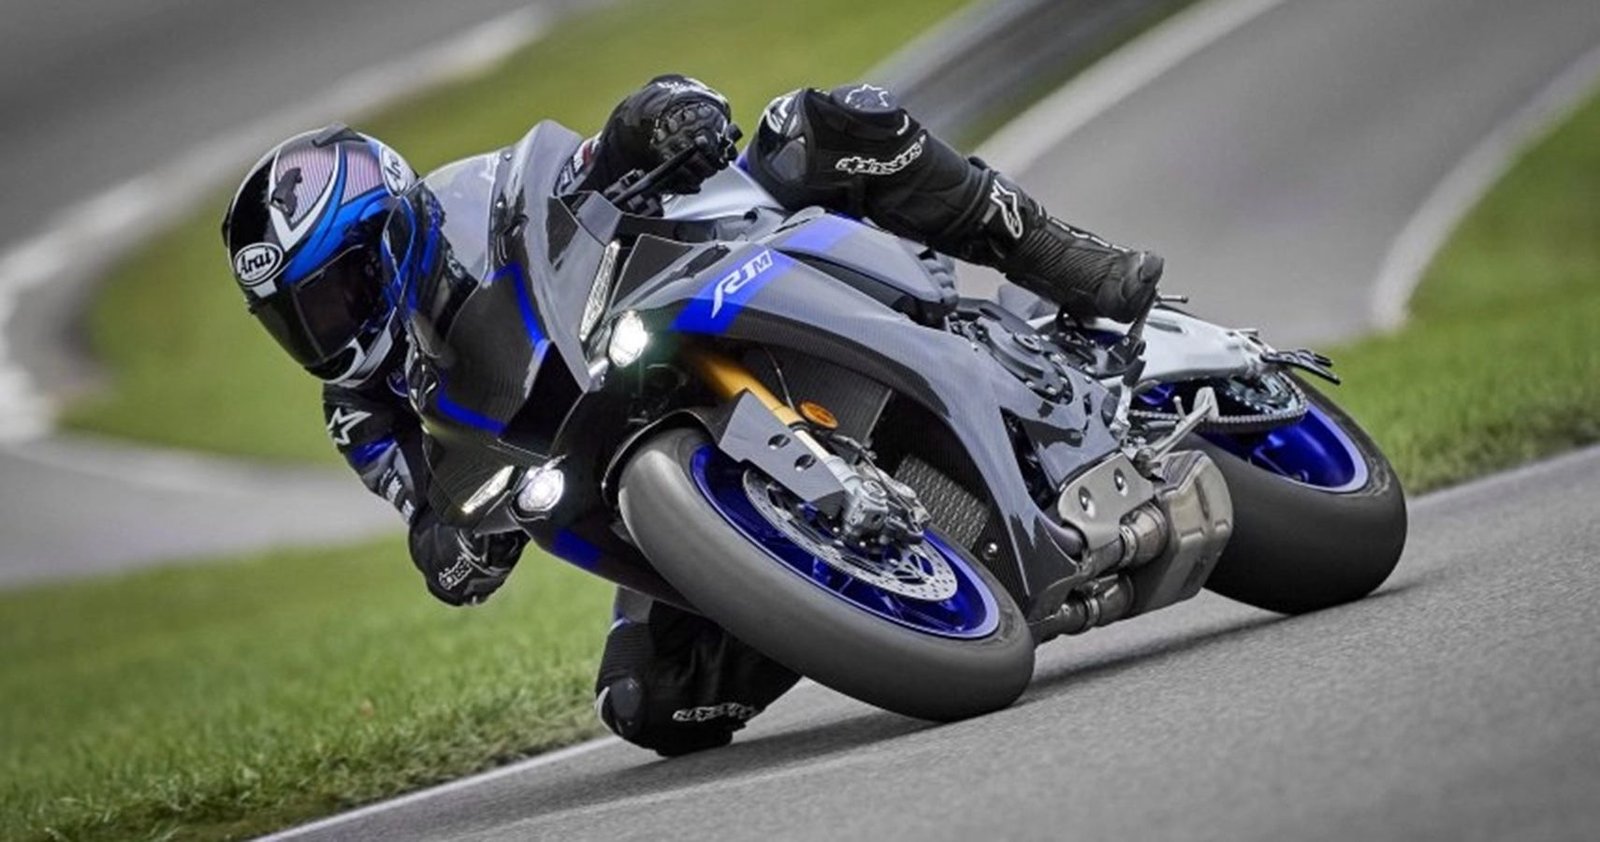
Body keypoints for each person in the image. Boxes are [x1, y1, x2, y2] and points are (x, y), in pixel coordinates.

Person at [220, 75, 1163, 756]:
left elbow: (595, 149)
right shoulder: (362, 408)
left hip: (713, 288)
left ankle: (1064, 262)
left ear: (389, 237)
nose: (329, 329)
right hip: (620, 453)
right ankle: (868, 601)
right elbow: (430, 526)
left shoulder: (482, 203)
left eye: (339, 293)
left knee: (819, 122)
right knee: (649, 703)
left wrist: (656, 119)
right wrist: (465, 545)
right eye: (299, 319)